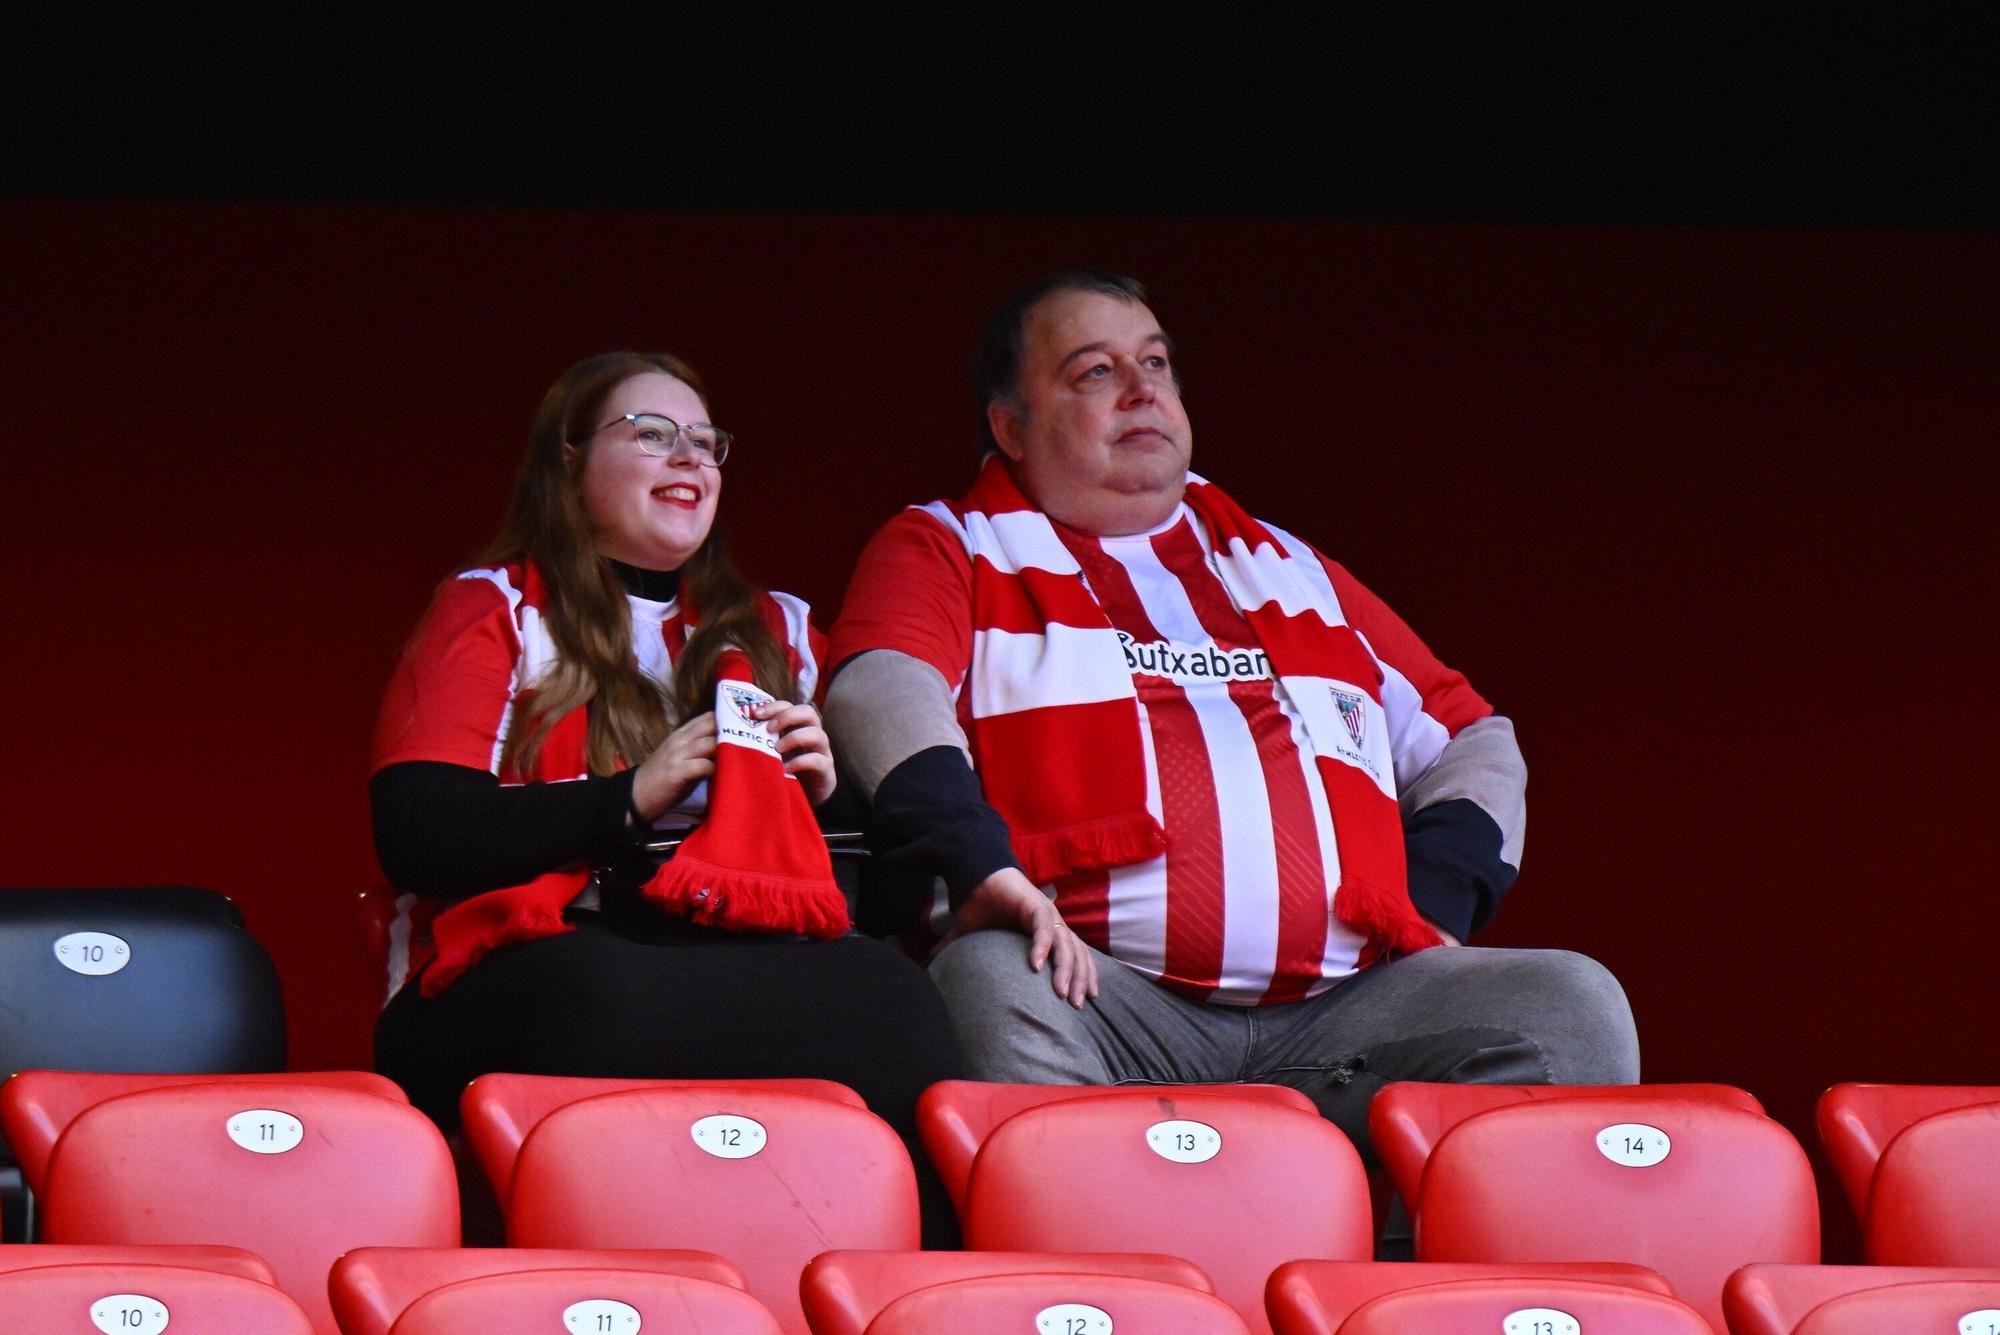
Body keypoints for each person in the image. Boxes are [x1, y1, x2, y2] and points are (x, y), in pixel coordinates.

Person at [826, 271, 1638, 1163]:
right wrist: (975, 865)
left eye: (1157, 364)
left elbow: (1473, 736)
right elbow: (880, 687)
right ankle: (1106, 1270)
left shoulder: (1286, 565)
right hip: (1106, 1000)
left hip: (1343, 1014)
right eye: (1095, 371)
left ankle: (1411, 1279)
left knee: (1568, 1002)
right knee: (985, 978)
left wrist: (1433, 903)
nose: (1142, 390)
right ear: (1009, 424)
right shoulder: (949, 545)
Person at [369, 352, 965, 1232]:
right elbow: (418, 833)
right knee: (600, 994)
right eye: (651, 435)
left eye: (705, 442)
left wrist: (833, 798)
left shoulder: (783, 630)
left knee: (896, 1001)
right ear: (568, 464)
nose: (689, 458)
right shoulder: (493, 608)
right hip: (520, 959)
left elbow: (891, 896)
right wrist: (629, 797)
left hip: (730, 949)